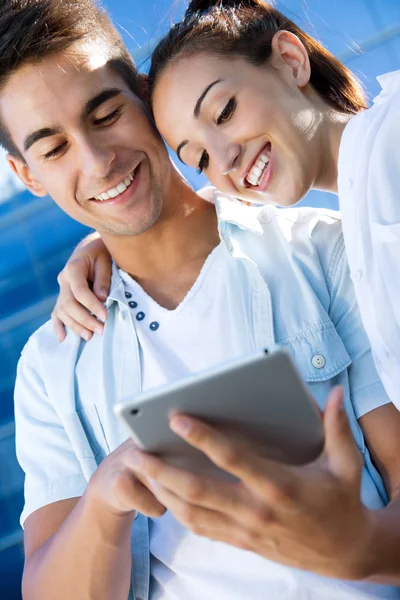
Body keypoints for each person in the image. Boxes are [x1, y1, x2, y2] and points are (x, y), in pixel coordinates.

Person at [5, 0, 400, 599]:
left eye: (106, 114)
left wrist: (353, 544)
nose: (97, 160)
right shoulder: (49, 368)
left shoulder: (327, 253)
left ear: (145, 97)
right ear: (27, 174)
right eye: (53, 149)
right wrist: (106, 497)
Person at [56, 0, 400, 411]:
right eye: (199, 159)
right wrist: (105, 241)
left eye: (225, 112)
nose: (223, 160)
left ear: (291, 61)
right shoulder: (364, 208)